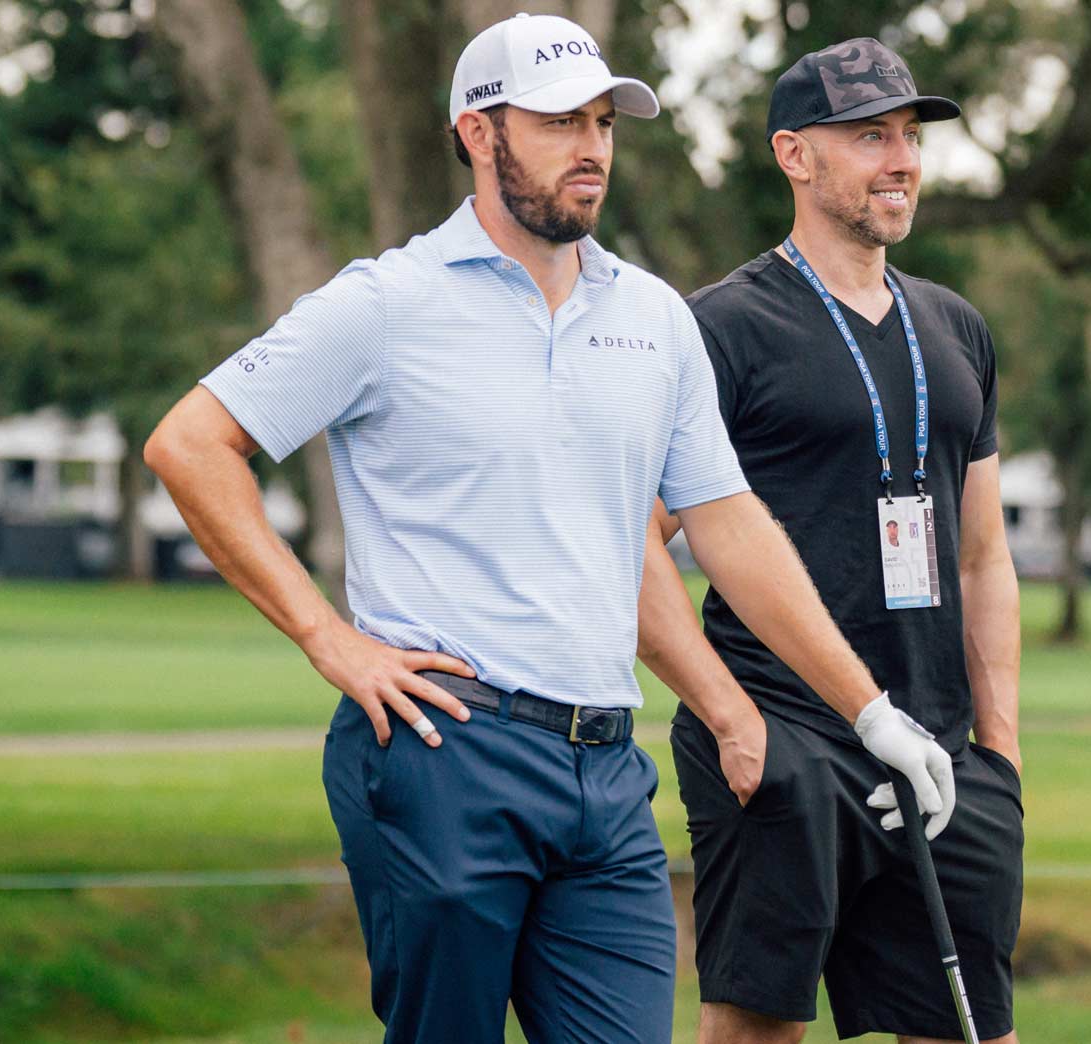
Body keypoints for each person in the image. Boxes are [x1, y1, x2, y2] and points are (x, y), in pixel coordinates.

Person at [144, 16, 956, 1044]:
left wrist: (867, 711)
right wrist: (328, 640)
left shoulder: (654, 317)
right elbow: (189, 446)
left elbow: (730, 525)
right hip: (444, 749)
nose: (592, 147)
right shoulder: (385, 303)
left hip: (605, 772)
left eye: (603, 122)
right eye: (558, 121)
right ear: (478, 134)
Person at [637, 37, 1024, 1044]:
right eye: (867, 137)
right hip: (785, 741)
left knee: (970, 1032)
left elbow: (982, 557)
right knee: (760, 1033)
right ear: (793, 156)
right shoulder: (718, 330)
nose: (900, 160)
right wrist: (728, 718)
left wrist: (1001, 755)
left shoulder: (955, 328)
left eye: (908, 137)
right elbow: (627, 545)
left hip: (939, 753)